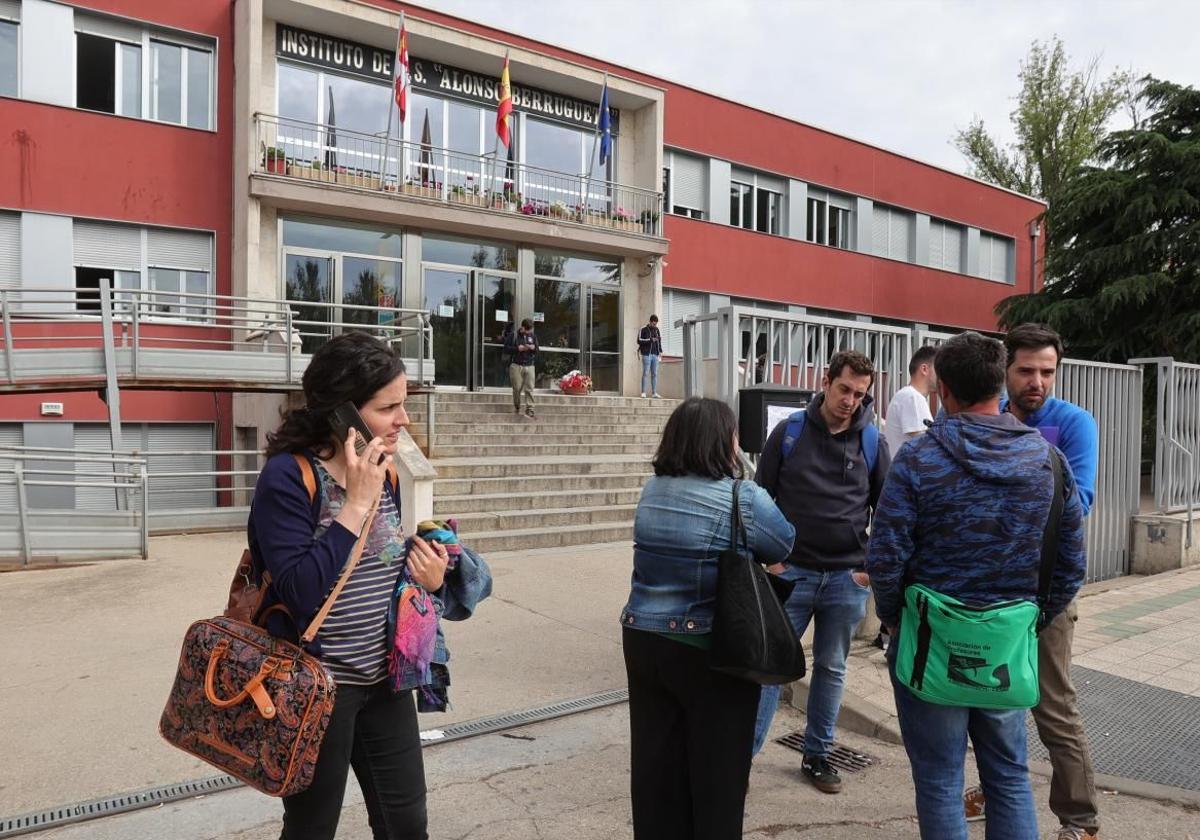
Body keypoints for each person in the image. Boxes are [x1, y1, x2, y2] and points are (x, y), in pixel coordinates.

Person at [248, 332, 488, 840]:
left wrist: (427, 579)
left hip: (386, 679)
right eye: (389, 407)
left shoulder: (388, 473)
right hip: (316, 687)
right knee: (312, 827)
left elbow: (375, 568)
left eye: (404, 404)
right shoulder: (289, 479)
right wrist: (355, 503)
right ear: (343, 413)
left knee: (407, 825)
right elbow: (301, 591)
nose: (404, 419)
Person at [866, 330, 1087, 840]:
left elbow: (885, 557)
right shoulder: (1049, 463)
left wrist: (899, 620)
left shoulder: (919, 461)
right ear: (1000, 383)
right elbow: (1071, 566)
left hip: (929, 644)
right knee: (1009, 776)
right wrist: (1030, 624)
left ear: (941, 389)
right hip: (1007, 649)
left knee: (941, 780)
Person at [620, 397, 795, 840]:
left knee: (657, 774)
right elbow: (784, 542)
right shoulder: (742, 496)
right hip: (710, 650)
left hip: (643, 642)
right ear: (724, 441)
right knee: (717, 780)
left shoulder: (651, 491)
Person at [962, 323, 1101, 840]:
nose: (1037, 381)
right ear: (1005, 371)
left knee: (1052, 705)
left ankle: (1080, 819)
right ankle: (997, 789)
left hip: (1047, 593)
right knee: (995, 700)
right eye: (1026, 371)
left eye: (1047, 371)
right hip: (994, 591)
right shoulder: (989, 417)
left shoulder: (1074, 424)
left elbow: (1080, 502)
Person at [750, 350, 892, 793]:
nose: (851, 400)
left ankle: (816, 755)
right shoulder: (789, 432)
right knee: (771, 668)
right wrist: (771, 560)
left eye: (860, 394)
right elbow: (760, 500)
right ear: (827, 381)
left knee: (831, 668)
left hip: (846, 580)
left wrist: (868, 569)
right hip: (791, 574)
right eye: (845, 389)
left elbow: (886, 509)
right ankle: (741, 757)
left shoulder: (872, 441)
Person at [884, 345, 936, 457]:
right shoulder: (912, 397)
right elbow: (927, 447)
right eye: (939, 369)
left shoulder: (908, 396)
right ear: (924, 369)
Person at [505, 317, 538, 418]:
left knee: (529, 388)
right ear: (522, 327)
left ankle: (530, 410)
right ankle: (517, 407)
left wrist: (533, 348)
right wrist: (517, 349)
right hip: (516, 365)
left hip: (529, 365)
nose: (528, 332)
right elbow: (505, 349)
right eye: (526, 330)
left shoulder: (532, 336)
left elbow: (537, 349)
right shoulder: (513, 335)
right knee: (517, 388)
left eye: (529, 330)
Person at [637, 314, 663, 398]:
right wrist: (650, 340)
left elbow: (659, 341)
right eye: (654, 324)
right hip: (646, 354)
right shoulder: (643, 329)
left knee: (654, 373)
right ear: (650, 322)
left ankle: (654, 393)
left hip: (655, 354)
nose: (655, 325)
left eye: (656, 324)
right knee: (645, 373)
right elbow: (639, 340)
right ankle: (643, 392)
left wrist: (660, 351)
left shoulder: (657, 330)